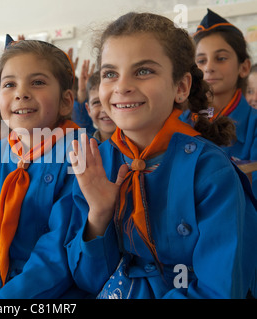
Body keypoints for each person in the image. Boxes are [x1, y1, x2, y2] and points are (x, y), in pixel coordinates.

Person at [67, 12, 257, 299]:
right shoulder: (97, 161)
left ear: (180, 87)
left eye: (143, 71)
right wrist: (99, 215)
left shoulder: (210, 170)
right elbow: (88, 280)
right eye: (110, 73)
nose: (122, 86)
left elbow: (221, 289)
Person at [0, 36, 87, 299]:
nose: (21, 93)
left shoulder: (80, 153)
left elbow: (58, 251)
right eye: (9, 84)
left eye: (38, 82)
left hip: (53, 291)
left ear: (66, 101)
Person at [180, 9, 257, 196]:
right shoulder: (180, 123)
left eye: (221, 58)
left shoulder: (253, 126)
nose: (209, 67)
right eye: (201, 60)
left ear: (244, 67)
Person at [84, 72, 116, 142]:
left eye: (111, 101)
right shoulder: (84, 149)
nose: (104, 109)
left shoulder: (140, 146)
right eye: (96, 102)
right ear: (88, 109)